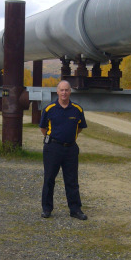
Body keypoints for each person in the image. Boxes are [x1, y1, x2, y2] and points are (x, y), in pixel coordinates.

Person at [39, 80, 88, 220]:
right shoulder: (49, 109)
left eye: (66, 90)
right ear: (57, 91)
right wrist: (54, 139)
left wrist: (70, 138)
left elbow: (80, 128)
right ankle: (47, 209)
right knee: (49, 179)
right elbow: (43, 128)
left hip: (71, 149)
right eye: (62, 90)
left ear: (70, 92)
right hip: (52, 149)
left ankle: (75, 209)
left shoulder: (77, 110)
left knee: (72, 180)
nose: (64, 93)